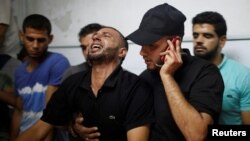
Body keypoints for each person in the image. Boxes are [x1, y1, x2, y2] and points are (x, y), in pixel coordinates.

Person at [15, 26, 154, 141]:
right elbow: (40, 128)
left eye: (106, 35)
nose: (96, 37)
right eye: (95, 36)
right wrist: (73, 127)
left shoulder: (136, 88)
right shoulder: (72, 82)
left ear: (121, 52)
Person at [126, 3, 224, 141]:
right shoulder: (144, 77)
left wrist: (167, 76)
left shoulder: (205, 72)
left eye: (151, 45)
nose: (142, 52)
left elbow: (196, 136)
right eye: (142, 44)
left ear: (174, 42)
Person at [10, 14, 70, 140]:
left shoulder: (57, 62)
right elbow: (19, 110)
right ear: (21, 36)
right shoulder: (19, 71)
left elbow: (50, 116)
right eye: (30, 39)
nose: (35, 45)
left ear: (50, 39)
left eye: (41, 40)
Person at [192, 11, 250, 125]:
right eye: (195, 35)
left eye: (207, 36)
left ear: (222, 41)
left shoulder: (243, 76)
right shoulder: (182, 71)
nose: (198, 40)